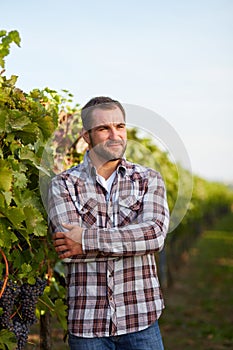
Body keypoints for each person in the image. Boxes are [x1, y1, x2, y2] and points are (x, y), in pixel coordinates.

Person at [48, 96, 170, 350]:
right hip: (87, 324)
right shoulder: (62, 184)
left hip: (141, 319)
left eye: (120, 126)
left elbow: (155, 236)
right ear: (86, 136)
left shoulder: (149, 179)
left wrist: (86, 239)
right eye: (104, 128)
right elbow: (68, 251)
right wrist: (132, 241)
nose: (115, 135)